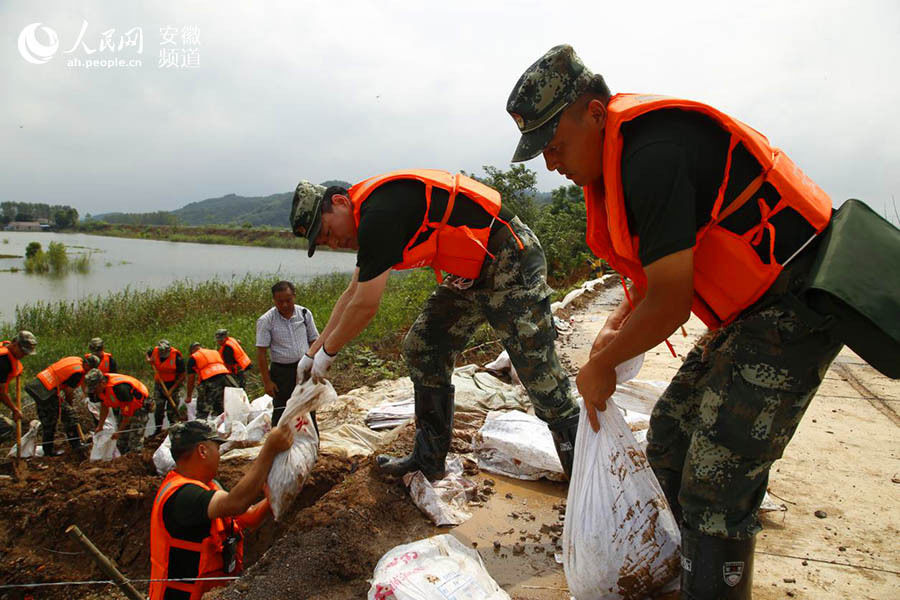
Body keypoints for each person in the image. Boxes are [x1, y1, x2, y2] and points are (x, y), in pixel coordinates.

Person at [507, 44, 842, 598]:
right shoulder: (622, 155)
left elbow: (670, 301)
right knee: (669, 435)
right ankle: (664, 575)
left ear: (593, 112)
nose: (551, 162)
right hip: (751, 310)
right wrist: (613, 333)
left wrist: (602, 366)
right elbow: (648, 282)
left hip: (795, 305)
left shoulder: (651, 154)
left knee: (716, 482)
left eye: (555, 144)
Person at [290, 173, 580, 479]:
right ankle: (428, 459)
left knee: (538, 372)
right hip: (470, 271)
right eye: (325, 243)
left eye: (328, 232)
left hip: (508, 255)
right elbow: (352, 293)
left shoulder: (378, 214)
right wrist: (312, 352)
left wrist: (328, 354)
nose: (335, 243)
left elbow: (365, 304)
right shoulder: (369, 219)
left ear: (339, 202)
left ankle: (582, 476)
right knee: (424, 346)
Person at [149, 420, 292, 600]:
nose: (219, 454)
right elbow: (236, 503)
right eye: (217, 447)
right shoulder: (183, 496)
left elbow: (249, 517)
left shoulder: (210, 486)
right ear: (202, 451)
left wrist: (276, 496)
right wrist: (269, 450)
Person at [255, 281, 319, 425]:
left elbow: (314, 340)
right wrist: (267, 382)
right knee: (281, 409)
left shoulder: (304, 314)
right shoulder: (266, 320)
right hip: (282, 372)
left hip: (304, 367)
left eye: (288, 300)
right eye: (280, 301)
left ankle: (312, 443)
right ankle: (277, 444)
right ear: (274, 300)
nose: (284, 305)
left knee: (308, 407)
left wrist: (316, 366)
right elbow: (261, 353)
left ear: (294, 297)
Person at [24, 353, 99, 457]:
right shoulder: (78, 372)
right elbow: (69, 391)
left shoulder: (75, 359)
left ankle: (49, 449)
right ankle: (74, 446)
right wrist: (69, 406)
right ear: (88, 366)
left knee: (48, 420)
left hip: (37, 386)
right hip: (46, 392)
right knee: (66, 416)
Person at [87, 369, 152, 455]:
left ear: (102, 383)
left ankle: (136, 459)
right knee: (121, 441)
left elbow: (127, 415)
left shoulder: (120, 388)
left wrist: (119, 431)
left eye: (95, 389)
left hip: (139, 405)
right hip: (124, 405)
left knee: (135, 439)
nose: (94, 392)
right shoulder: (100, 390)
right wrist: (100, 426)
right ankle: (122, 458)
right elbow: (104, 406)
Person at [147, 340, 186, 435]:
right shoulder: (155, 351)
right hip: (159, 384)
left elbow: (182, 375)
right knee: (159, 408)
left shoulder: (177, 358)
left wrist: (172, 390)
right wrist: (149, 360)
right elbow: (148, 353)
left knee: (171, 409)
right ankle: (158, 430)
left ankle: (174, 430)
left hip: (173, 384)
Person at [185, 342, 231, 420]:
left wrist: (189, 396)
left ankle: (201, 427)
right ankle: (221, 427)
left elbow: (191, 379)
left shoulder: (194, 357)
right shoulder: (214, 352)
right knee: (219, 406)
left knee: (203, 409)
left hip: (210, 380)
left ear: (192, 350)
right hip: (225, 379)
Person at [0, 331, 37, 424]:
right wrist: (15, 409)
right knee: (6, 428)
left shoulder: (6, 346)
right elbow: (1, 392)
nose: (24, 355)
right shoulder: (3, 361)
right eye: (23, 352)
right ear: (16, 344)